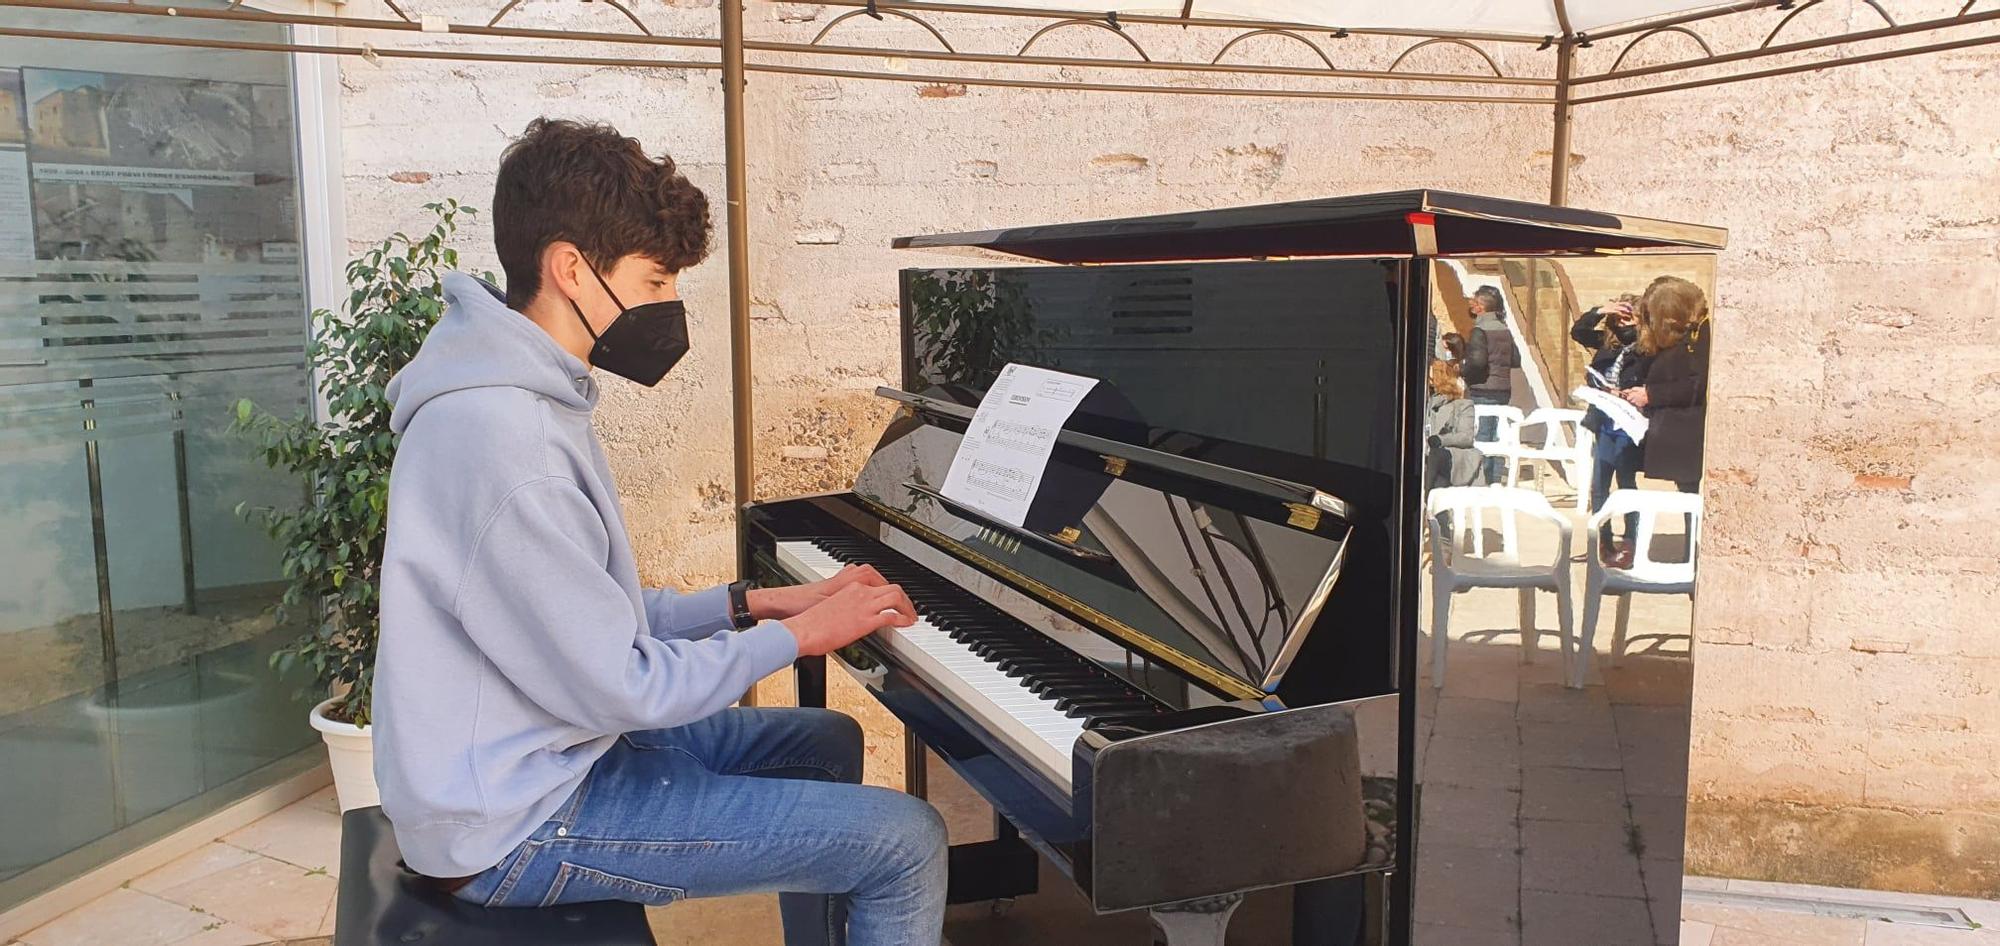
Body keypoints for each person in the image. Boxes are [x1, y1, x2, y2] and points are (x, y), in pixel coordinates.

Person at [373, 118, 947, 946]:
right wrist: (803, 637)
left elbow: (580, 614)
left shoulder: (517, 397)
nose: (668, 307)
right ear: (570, 268)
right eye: (654, 280)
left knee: (825, 740)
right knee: (908, 841)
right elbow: (628, 687)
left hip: (544, 755)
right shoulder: (509, 438)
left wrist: (754, 602)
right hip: (513, 822)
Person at [1572, 294, 1651, 566]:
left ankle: (1631, 541)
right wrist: (1600, 309)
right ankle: (1601, 543)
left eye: (1629, 315)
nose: (1622, 320)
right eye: (1618, 315)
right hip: (1605, 420)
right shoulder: (1608, 343)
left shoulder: (1647, 346)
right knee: (1599, 485)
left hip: (1629, 423)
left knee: (1626, 482)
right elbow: (1578, 331)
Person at [1620, 276, 1711, 496]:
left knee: (1693, 497)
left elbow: (1697, 385)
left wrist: (1651, 395)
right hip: (1674, 434)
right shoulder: (1683, 338)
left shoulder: (1701, 337)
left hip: (1689, 438)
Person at [1459, 285, 1516, 484]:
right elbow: (1515, 359)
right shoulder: (1504, 329)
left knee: (1482, 433)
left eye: (1473, 303)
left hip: (1483, 388)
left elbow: (1477, 362)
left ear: (1480, 307)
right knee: (1498, 433)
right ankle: (1495, 479)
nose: (1471, 306)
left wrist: (1462, 371)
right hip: (1503, 388)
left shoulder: (1480, 330)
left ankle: (1480, 478)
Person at [1426, 358, 1483, 490]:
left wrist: (1441, 440)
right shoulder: (1424, 403)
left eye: (1430, 380)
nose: (1428, 384)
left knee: (1435, 458)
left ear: (1440, 381)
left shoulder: (1463, 405)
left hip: (1450, 453)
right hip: (1428, 454)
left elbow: (1466, 437)